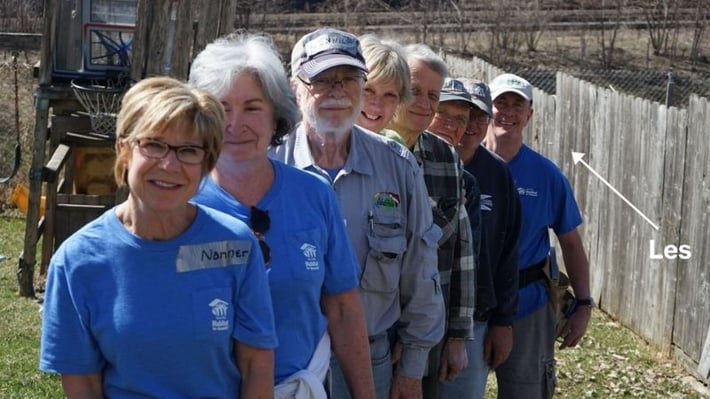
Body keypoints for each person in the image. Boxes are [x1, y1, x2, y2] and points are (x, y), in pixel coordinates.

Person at [39, 76, 278, 398]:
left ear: (206, 163)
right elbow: (83, 384)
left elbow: (256, 364)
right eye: (154, 144)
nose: (169, 164)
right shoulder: (77, 261)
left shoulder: (236, 244)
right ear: (123, 150)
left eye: (189, 150)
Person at [188, 32, 374, 399]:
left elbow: (343, 309)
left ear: (276, 115)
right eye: (221, 108)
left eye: (252, 108)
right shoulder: (181, 201)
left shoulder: (314, 194)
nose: (235, 124)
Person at [270, 27, 445, 399]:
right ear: (294, 86)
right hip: (283, 362)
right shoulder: (268, 162)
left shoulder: (396, 165)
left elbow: (421, 268)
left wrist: (413, 367)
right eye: (322, 80)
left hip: (372, 358)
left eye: (349, 79)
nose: (337, 92)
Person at [482, 73, 592, 398]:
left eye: (518, 105)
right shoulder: (464, 165)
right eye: (501, 102)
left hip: (527, 303)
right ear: (487, 109)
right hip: (469, 305)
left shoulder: (547, 176)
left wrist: (584, 305)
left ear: (530, 114)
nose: (508, 112)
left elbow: (571, 244)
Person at [388, 46, 477, 398]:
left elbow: (462, 253)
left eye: (433, 96)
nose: (424, 103)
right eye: (415, 90)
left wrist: (456, 335)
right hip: (367, 331)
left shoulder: (446, 159)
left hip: (426, 333)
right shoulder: (358, 149)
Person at [430, 78, 522, 399]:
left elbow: (508, 252)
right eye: (454, 115)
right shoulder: (410, 163)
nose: (467, 126)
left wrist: (503, 321)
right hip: (418, 316)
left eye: (477, 117)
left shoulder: (496, 174)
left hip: (474, 319)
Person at [356, 34, 411, 144]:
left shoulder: (394, 146)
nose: (377, 104)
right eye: (367, 90)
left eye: (389, 95)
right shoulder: (319, 146)